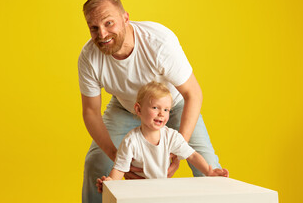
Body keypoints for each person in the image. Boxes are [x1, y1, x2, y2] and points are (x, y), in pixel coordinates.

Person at [78, 0, 221, 203]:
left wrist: (175, 152)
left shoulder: (158, 42)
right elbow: (90, 111)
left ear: (125, 18)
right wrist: (118, 158)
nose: (102, 34)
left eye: (109, 23)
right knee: (96, 165)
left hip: (174, 104)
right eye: (94, 28)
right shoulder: (89, 57)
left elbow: (193, 93)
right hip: (126, 105)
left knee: (208, 168)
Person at [96, 82, 229, 193]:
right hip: (139, 191)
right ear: (138, 110)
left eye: (166, 110)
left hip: (162, 190)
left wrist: (209, 170)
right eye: (155, 107)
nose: (161, 114)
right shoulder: (131, 141)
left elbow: (192, 155)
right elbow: (120, 168)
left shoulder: (171, 137)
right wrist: (110, 183)